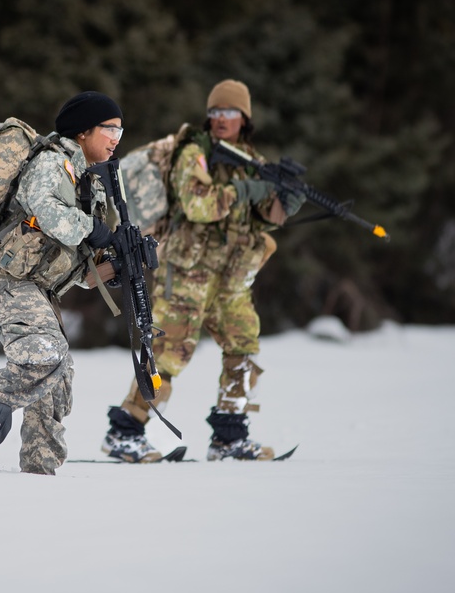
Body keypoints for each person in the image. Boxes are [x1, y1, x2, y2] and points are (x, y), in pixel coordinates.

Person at [102, 79, 304, 462]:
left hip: (230, 278)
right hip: (187, 272)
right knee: (167, 352)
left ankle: (230, 434)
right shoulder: (195, 152)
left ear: (244, 117)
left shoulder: (249, 159)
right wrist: (242, 193)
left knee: (243, 347)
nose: (220, 119)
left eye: (229, 112)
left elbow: (258, 219)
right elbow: (197, 205)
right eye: (215, 112)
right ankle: (125, 431)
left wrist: (281, 204)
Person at [0, 91, 122, 474]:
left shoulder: (89, 182)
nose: (118, 137)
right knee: (44, 355)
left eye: (122, 129)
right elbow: (47, 212)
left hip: (34, 284)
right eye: (110, 128)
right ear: (84, 131)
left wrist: (109, 267)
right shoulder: (53, 163)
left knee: (58, 378)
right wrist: (94, 230)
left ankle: (40, 470)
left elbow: (78, 270)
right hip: (5, 278)